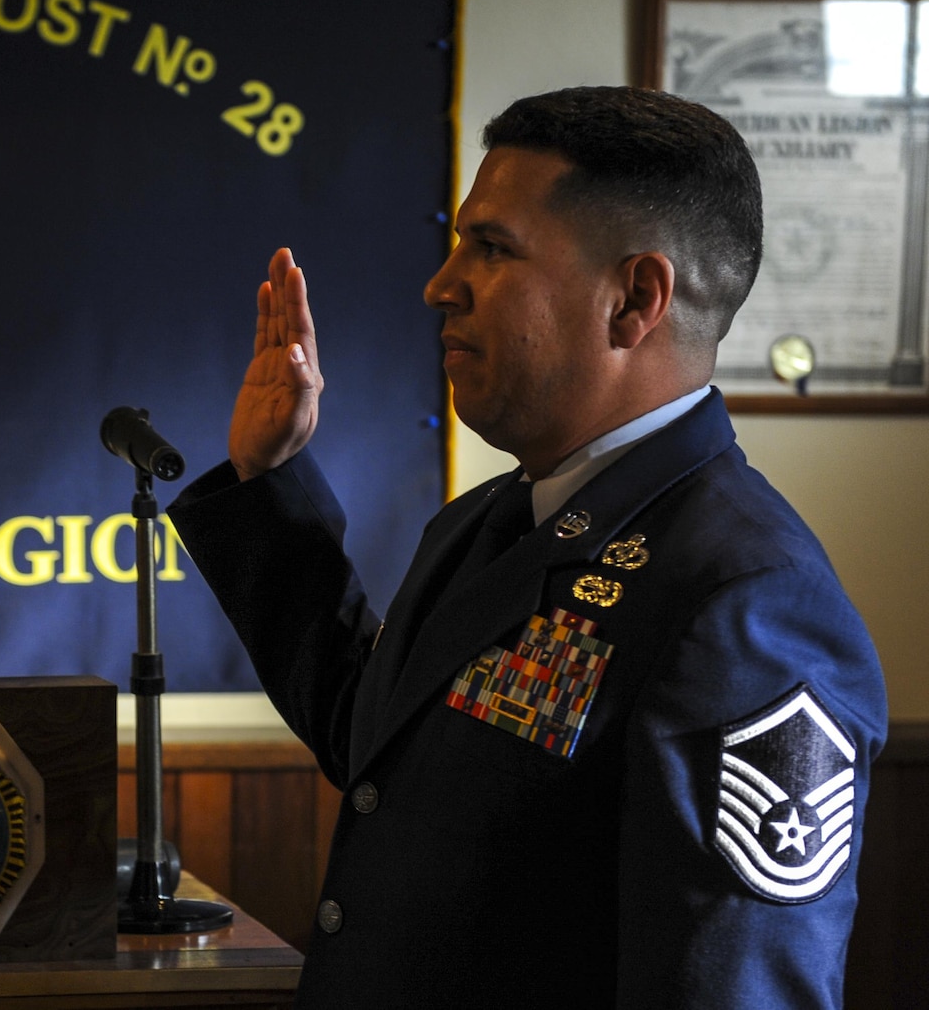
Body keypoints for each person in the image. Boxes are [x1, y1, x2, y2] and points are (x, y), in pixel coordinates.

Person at [168, 87, 886, 1008]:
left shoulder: (744, 599)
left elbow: (729, 985)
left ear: (634, 299)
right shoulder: (489, 521)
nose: (442, 281)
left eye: (493, 247)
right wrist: (269, 483)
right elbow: (377, 738)